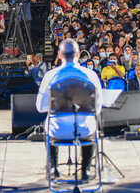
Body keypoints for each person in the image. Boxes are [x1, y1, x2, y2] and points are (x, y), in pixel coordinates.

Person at [36, 39, 102, 181]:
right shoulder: (91, 75)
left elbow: (40, 107)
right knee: (92, 123)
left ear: (59, 55)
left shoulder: (50, 76)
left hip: (58, 130)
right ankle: (85, 170)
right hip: (84, 130)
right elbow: (97, 108)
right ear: (78, 53)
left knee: (48, 122)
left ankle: (53, 168)